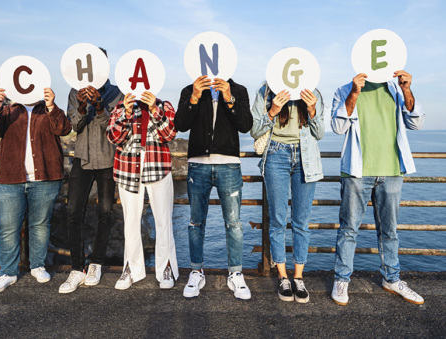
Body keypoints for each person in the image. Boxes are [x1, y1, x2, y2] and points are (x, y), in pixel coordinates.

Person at [330, 71, 425, 306]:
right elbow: (337, 126)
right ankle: (342, 280)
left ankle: (391, 279)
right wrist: (354, 93)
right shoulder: (345, 89)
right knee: (349, 229)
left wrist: (406, 89)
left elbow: (416, 122)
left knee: (389, 231)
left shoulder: (395, 87)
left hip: (392, 170)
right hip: (356, 170)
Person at [0, 87, 71, 294]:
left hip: (46, 177)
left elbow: (64, 129)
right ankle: (7, 272)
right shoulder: (7, 109)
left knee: (40, 224)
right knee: (7, 227)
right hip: (10, 178)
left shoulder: (47, 108)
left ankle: (37, 266)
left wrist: (51, 106)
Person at [174, 75, 253, 300]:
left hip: (229, 164)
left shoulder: (239, 89)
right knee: (195, 222)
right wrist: (194, 98)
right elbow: (180, 124)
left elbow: (246, 125)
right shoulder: (189, 89)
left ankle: (235, 273)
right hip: (198, 164)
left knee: (234, 223)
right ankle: (197, 271)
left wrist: (230, 98)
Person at [250, 84, 324, 303]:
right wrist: (272, 111)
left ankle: (298, 277)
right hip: (275, 154)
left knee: (301, 221)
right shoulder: (265, 91)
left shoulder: (313, 91)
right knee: (277, 220)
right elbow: (254, 130)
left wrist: (312, 109)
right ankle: (283, 277)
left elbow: (319, 133)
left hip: (305, 156)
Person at [59, 50, 124, 293]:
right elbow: (74, 125)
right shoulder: (75, 91)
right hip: (82, 159)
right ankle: (77, 268)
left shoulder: (117, 93)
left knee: (105, 214)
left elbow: (113, 127)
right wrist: (84, 104)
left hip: (108, 159)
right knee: (74, 212)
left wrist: (99, 105)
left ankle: (96, 263)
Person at [106, 90, 179, 290]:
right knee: (130, 221)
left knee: (163, 220)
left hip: (158, 167)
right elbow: (114, 138)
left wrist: (155, 109)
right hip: (128, 168)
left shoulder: (164, 106)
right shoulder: (121, 107)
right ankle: (131, 268)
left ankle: (166, 267)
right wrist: (127, 113)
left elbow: (170, 134)